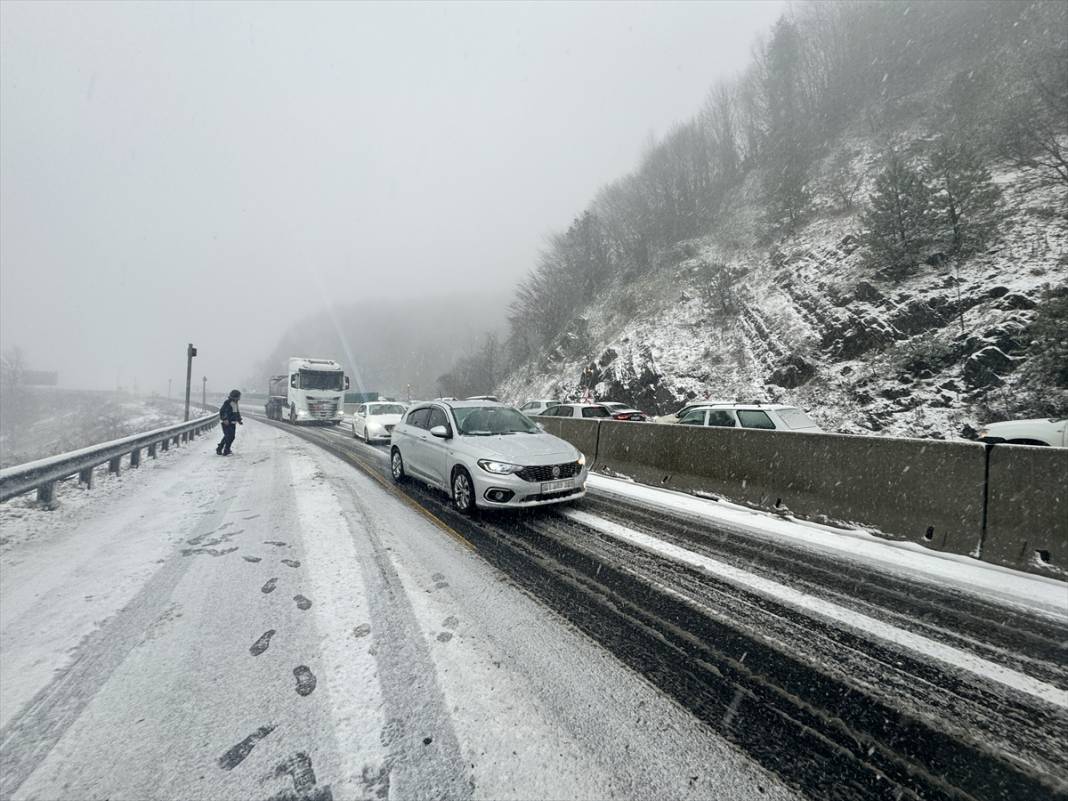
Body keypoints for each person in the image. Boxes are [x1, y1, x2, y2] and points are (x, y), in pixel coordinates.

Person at [217, 389, 244, 455]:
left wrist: (239, 420)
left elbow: (236, 412)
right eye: (238, 396)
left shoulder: (235, 403)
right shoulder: (227, 402)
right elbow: (222, 411)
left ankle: (221, 448)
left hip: (232, 423)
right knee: (229, 436)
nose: (239, 398)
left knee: (229, 436)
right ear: (234, 396)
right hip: (226, 423)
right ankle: (225, 449)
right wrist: (225, 419)